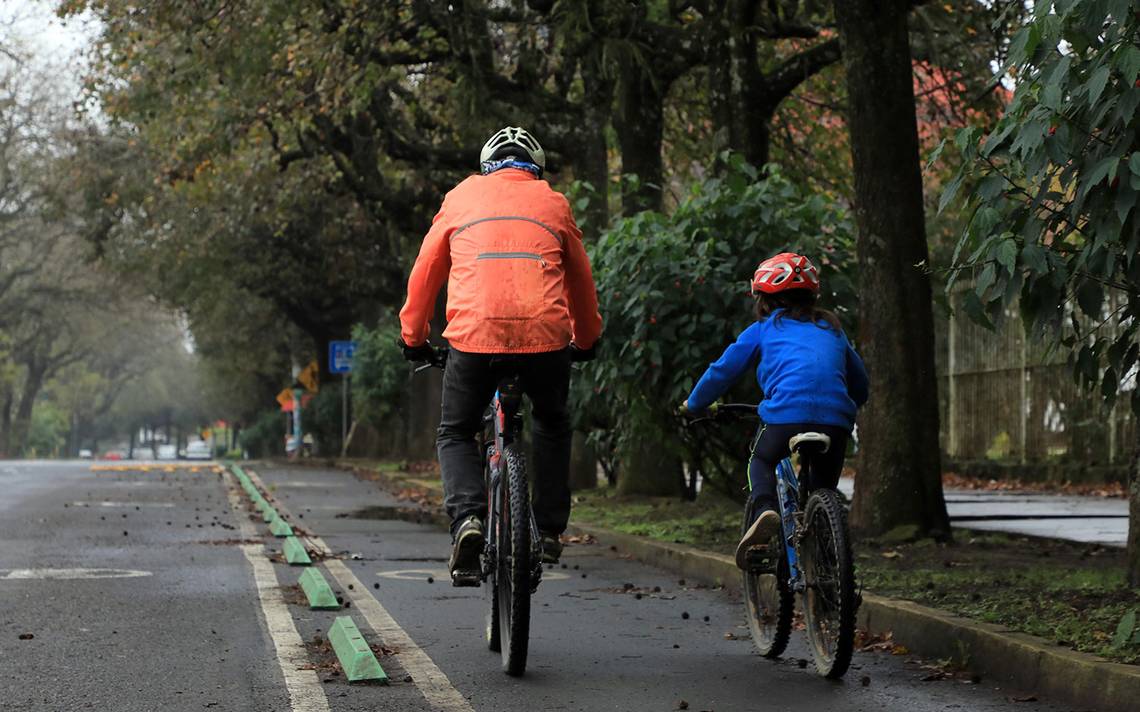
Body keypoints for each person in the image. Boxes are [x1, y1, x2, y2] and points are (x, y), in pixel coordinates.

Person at [398, 126, 603, 584]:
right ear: (536, 168)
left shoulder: (460, 197)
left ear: (487, 165)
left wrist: (413, 337)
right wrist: (586, 339)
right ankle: (548, 529)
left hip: (473, 336)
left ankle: (469, 519)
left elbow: (426, 272)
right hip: (546, 337)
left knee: (455, 432)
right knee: (551, 422)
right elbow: (580, 283)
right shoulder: (554, 202)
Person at [682, 252, 867, 568]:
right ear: (811, 295)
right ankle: (826, 549)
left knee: (762, 459)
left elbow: (723, 370)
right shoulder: (833, 328)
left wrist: (694, 403)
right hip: (836, 422)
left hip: (784, 418)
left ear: (763, 299)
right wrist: (845, 406)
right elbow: (860, 383)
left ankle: (765, 509)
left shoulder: (764, 329)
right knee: (823, 488)